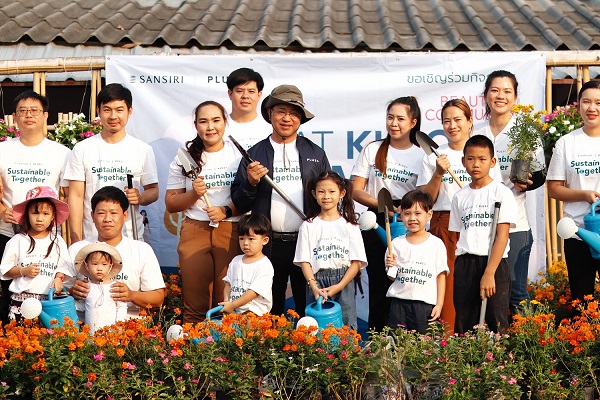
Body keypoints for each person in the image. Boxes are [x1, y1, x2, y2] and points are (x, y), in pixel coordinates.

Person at [232, 84, 331, 317]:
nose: (287, 118)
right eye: (281, 111)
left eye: (294, 113)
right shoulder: (255, 154)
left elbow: (329, 198)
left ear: (301, 119)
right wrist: (251, 183)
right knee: (268, 309)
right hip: (268, 245)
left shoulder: (315, 153)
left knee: (308, 308)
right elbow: (240, 201)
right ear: (270, 113)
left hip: (306, 243)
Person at [417, 99, 502, 333]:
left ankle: (482, 339)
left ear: (469, 121)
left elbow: (495, 191)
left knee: (481, 284)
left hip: (480, 223)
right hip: (444, 225)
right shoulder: (434, 157)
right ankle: (449, 339)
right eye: (447, 121)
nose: (452, 126)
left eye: (457, 120)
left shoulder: (482, 152)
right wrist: (438, 173)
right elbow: (426, 200)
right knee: (449, 284)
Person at [472, 70, 545, 315]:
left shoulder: (526, 132)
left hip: (515, 224)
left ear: (515, 97)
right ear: (485, 95)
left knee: (516, 292)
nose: (500, 96)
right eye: (494, 90)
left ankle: (528, 336)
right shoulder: (475, 132)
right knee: (485, 292)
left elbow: (539, 175)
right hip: (480, 224)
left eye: (507, 91)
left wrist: (527, 183)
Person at [351, 96, 425, 331]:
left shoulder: (421, 155)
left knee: (405, 281)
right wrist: (382, 206)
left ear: (413, 122)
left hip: (406, 220)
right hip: (376, 218)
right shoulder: (372, 149)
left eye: (400, 119)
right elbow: (355, 190)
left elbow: (424, 194)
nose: (394, 123)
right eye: (390, 117)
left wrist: (405, 211)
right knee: (378, 282)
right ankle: (377, 338)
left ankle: (406, 339)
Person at [165, 101, 242, 322]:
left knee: (224, 302)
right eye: (203, 121)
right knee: (195, 303)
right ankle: (193, 343)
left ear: (225, 122)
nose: (210, 127)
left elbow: (250, 196)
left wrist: (226, 211)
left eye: (216, 120)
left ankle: (224, 343)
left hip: (231, 229)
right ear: (196, 125)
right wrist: (194, 194)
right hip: (195, 229)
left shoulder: (238, 154)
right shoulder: (184, 158)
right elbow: (171, 204)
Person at [0, 90, 71, 324]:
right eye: (23, 111)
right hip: (7, 234)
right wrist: (2, 211)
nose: (28, 115)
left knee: (45, 292)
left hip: (45, 238)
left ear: (46, 116)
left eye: (34, 110)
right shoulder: (3, 150)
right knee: (8, 297)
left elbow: (69, 195)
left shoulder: (62, 153)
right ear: (14, 117)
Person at [65, 83, 159, 243]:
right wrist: (76, 239)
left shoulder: (143, 149)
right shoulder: (82, 148)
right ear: (98, 111)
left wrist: (140, 197)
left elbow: (153, 191)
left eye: (119, 110)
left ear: (129, 111)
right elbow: (76, 196)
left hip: (130, 237)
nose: (113, 116)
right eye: (107, 110)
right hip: (93, 238)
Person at [449, 135, 517, 334]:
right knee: (464, 323)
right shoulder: (459, 196)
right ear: (463, 161)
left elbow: (502, 236)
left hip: (493, 263)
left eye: (482, 159)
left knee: (497, 323)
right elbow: (458, 234)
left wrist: (489, 273)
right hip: (466, 264)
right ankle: (467, 355)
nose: (476, 164)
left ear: (492, 162)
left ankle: (500, 355)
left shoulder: (501, 193)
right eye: (470, 159)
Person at [68, 186, 165, 319]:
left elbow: (158, 297)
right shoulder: (77, 249)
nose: (107, 219)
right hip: (85, 325)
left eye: (114, 213)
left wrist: (132, 295)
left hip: (130, 325)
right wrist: (72, 291)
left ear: (125, 215)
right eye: (101, 213)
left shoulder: (141, 250)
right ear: (92, 216)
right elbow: (58, 290)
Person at [547, 80, 600, 303]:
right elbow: (553, 189)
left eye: (598, 103)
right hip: (578, 233)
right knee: (581, 301)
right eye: (586, 102)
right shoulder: (566, 143)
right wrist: (584, 195)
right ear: (578, 106)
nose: (592, 108)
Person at [294, 171, 367, 330]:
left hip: (344, 281)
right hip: (317, 282)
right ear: (314, 194)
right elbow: (304, 261)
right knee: (317, 329)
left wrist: (339, 286)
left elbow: (357, 263)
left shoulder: (350, 226)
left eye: (332, 191)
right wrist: (313, 285)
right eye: (321, 191)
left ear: (342, 193)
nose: (326, 196)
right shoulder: (308, 226)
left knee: (346, 328)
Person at [0, 186, 72, 323]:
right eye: (35, 213)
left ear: (53, 216)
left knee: (49, 336)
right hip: (22, 302)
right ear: (27, 214)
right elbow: (5, 270)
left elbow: (64, 267)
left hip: (50, 301)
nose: (39, 218)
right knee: (22, 336)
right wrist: (23, 271)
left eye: (45, 214)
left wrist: (59, 279)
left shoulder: (58, 241)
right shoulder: (17, 241)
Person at [385, 190, 448, 334]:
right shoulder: (396, 243)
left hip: (424, 306)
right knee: (396, 341)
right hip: (399, 303)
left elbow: (441, 276)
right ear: (401, 215)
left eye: (418, 213)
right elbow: (391, 276)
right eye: (407, 214)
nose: (412, 218)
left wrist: (439, 304)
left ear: (429, 214)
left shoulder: (436, 244)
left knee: (423, 343)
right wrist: (390, 266)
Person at [220, 213, 274, 315]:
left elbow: (253, 292)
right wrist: (227, 302)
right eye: (242, 238)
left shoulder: (264, 265)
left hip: (255, 312)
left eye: (251, 239)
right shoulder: (235, 261)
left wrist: (233, 305)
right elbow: (228, 284)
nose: (245, 243)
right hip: (235, 310)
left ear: (265, 240)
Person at [72, 242, 127, 334]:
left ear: (110, 265)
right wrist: (69, 302)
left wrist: (120, 325)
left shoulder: (114, 287)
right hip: (91, 334)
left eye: (104, 264)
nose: (99, 268)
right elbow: (83, 306)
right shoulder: (86, 286)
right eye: (94, 264)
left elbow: (121, 307)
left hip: (111, 334)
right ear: (87, 265)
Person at [225, 67, 271, 150]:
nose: (245, 96)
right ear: (230, 94)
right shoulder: (218, 127)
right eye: (239, 91)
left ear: (259, 95)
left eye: (251, 91)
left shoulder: (270, 127)